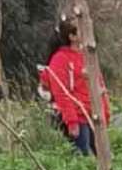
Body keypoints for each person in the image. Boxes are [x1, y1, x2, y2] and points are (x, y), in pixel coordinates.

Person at [38, 17, 107, 156]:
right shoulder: (60, 59)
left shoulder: (88, 56)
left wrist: (105, 112)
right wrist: (72, 121)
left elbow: (100, 86)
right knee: (83, 157)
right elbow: (61, 93)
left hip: (94, 115)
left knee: (103, 157)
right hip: (78, 117)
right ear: (72, 37)